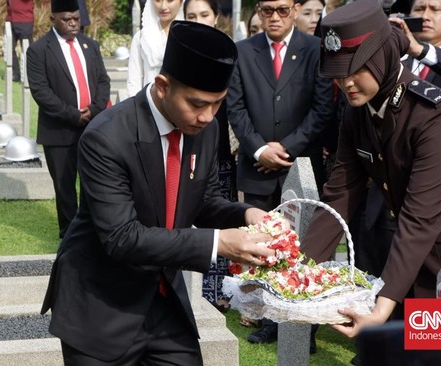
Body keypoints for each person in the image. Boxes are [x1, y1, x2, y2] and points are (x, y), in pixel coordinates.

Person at [40, 20, 277, 365]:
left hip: (164, 302)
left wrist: (246, 215)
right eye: (197, 104)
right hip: (100, 305)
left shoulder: (203, 127)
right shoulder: (106, 137)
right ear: (163, 86)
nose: (208, 116)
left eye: (218, 103)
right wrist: (218, 243)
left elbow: (205, 199)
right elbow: (122, 237)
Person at [301, 0, 441, 340]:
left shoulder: (436, 115)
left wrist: (381, 307)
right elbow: (340, 195)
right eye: (338, 72)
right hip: (400, 252)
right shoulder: (358, 110)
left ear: (380, 58)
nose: (345, 83)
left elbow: (421, 218)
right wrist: (296, 272)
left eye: (355, 69)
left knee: (431, 352)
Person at [227, 0, 333, 348]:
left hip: (300, 166)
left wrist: (284, 149)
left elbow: (322, 109)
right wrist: (259, 149)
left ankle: (306, 325)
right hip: (257, 167)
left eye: (283, 9)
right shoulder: (242, 51)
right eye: (267, 9)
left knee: (307, 248)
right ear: (257, 10)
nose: (274, 17)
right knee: (265, 248)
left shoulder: (315, 50)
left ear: (297, 8)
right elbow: (235, 106)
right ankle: (271, 317)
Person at [26, 0, 110, 239]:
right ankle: (70, 236)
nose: (73, 23)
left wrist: (93, 111)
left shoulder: (90, 45)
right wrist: (74, 115)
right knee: (64, 189)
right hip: (59, 131)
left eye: (76, 18)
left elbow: (103, 81)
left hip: (93, 128)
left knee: (93, 182)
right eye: (67, 19)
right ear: (53, 19)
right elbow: (41, 91)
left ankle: (93, 232)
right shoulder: (39, 50)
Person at [184, 0, 236, 314]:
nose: (199, 21)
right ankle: (199, 292)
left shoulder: (229, 52)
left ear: (216, 17)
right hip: (185, 150)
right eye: (192, 16)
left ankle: (218, 290)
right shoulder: (178, 53)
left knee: (219, 218)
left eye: (204, 15)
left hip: (220, 151)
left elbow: (237, 105)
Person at [126, 0, 184, 96]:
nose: (163, 6)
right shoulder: (141, 37)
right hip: (148, 105)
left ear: (181, 2)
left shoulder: (189, 36)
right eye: (157, 0)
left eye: (170, 0)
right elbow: (133, 82)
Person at [6, 0, 35, 82]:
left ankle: (30, 76)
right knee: (9, 48)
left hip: (24, 20)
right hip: (11, 19)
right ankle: (15, 74)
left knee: (28, 51)